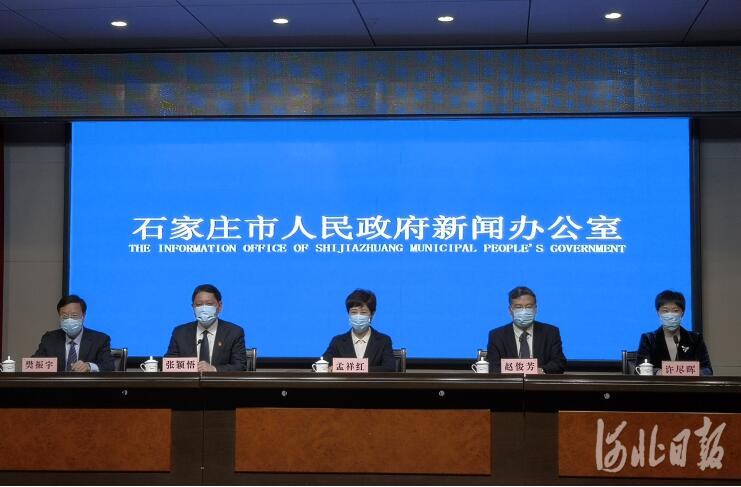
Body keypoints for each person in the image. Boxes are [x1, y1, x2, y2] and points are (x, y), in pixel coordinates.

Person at [165, 284, 247, 372]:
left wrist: (214, 369)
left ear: (219, 306)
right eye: (199, 304)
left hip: (219, 381)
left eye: (209, 304)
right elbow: (169, 364)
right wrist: (192, 367)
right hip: (189, 381)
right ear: (193, 307)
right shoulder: (180, 332)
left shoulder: (234, 332)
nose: (204, 309)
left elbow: (240, 366)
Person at [486, 286, 566, 374]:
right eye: (518, 307)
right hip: (510, 382)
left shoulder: (550, 333)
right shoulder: (497, 335)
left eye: (528, 307)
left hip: (540, 381)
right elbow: (493, 367)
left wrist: (541, 371)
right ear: (510, 310)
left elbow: (559, 363)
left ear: (535, 309)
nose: (524, 311)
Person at [637, 290, 712, 375]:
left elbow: (708, 370)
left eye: (675, 311)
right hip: (659, 383)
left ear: (682, 313)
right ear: (658, 313)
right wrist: (658, 372)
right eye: (665, 311)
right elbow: (639, 369)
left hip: (688, 383)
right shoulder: (648, 339)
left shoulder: (695, 339)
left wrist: (691, 372)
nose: (670, 315)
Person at [33, 295, 115, 372]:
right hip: (57, 383)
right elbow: (34, 364)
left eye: (74, 315)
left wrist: (89, 366)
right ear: (59, 317)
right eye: (65, 316)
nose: (69, 320)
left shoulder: (100, 340)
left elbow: (109, 366)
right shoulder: (49, 339)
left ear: (83, 316)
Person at [322, 289, 396, 372]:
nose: (358, 316)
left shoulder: (383, 341)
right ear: (348, 314)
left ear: (372, 314)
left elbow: (390, 368)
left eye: (363, 312)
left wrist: (353, 368)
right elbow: (323, 364)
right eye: (354, 312)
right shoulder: (338, 342)